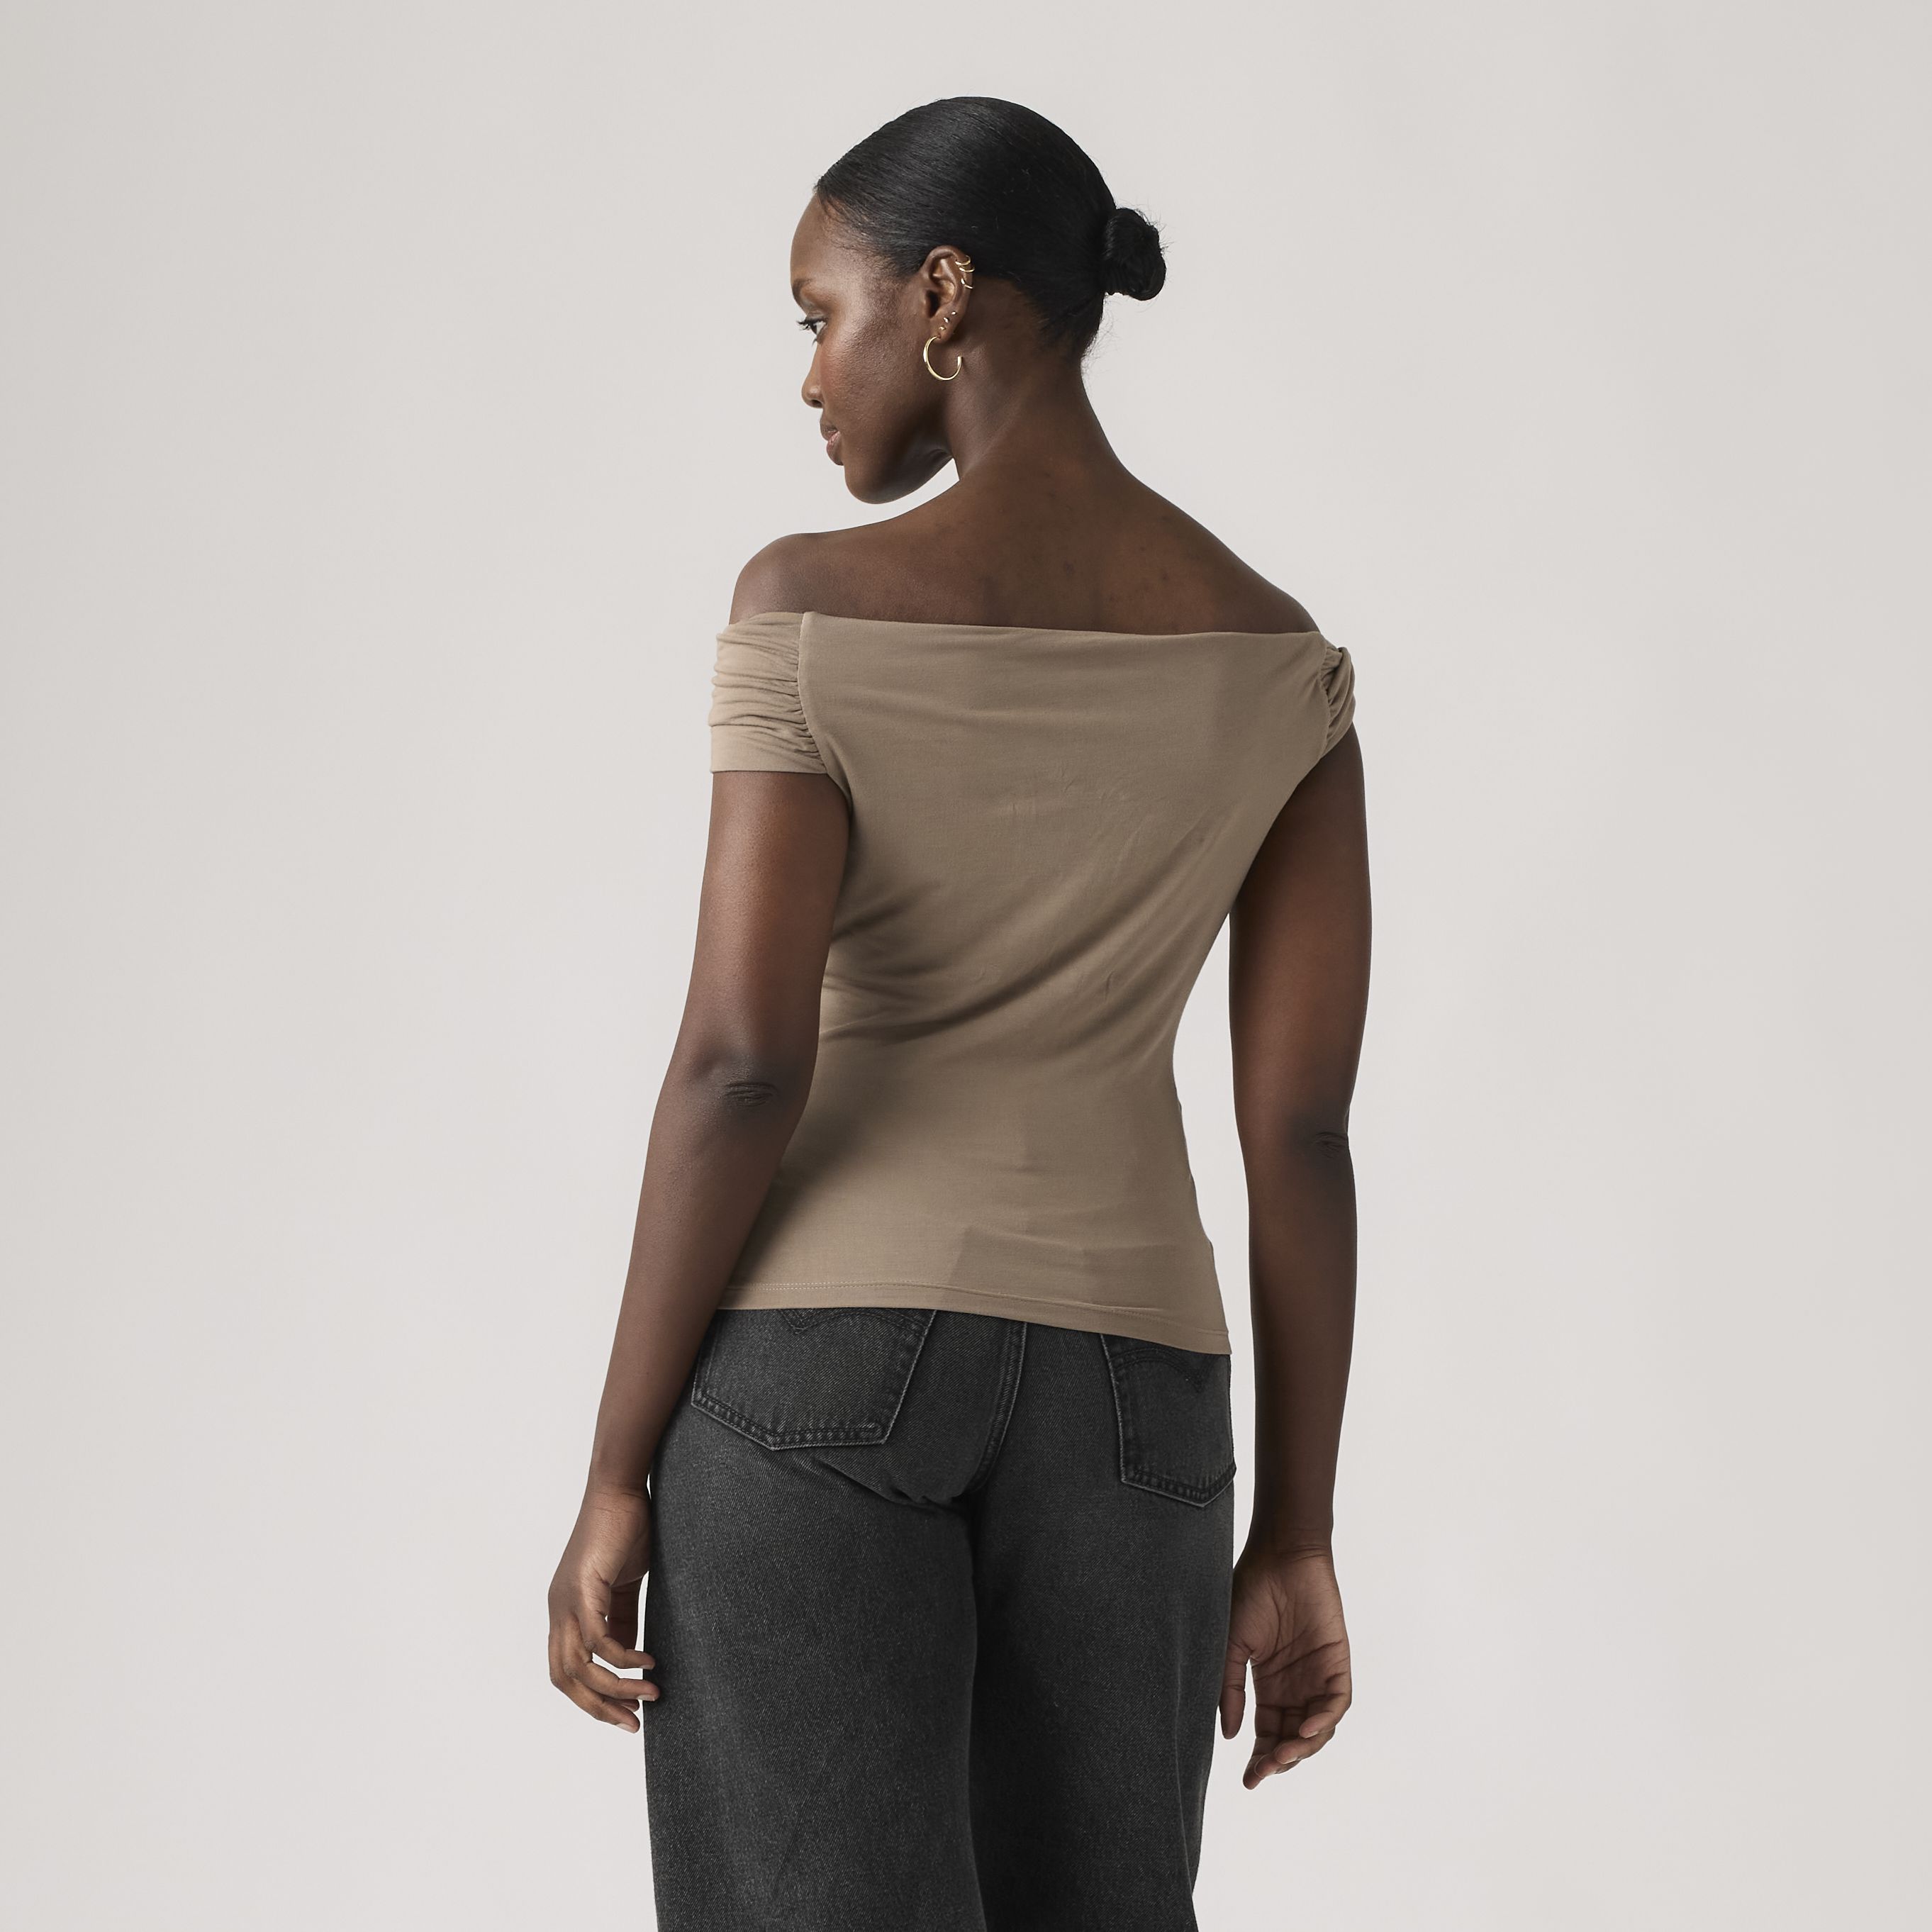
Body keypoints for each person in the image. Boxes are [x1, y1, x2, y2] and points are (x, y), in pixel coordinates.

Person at [547, 95, 1370, 1931]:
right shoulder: (1280, 661)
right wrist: (1298, 1529)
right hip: (1140, 1399)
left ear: (939, 296)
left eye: (817, 315)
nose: (809, 374)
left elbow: (742, 1064)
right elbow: (1301, 1133)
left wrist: (612, 1470)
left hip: (815, 1375)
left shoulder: (810, 610)